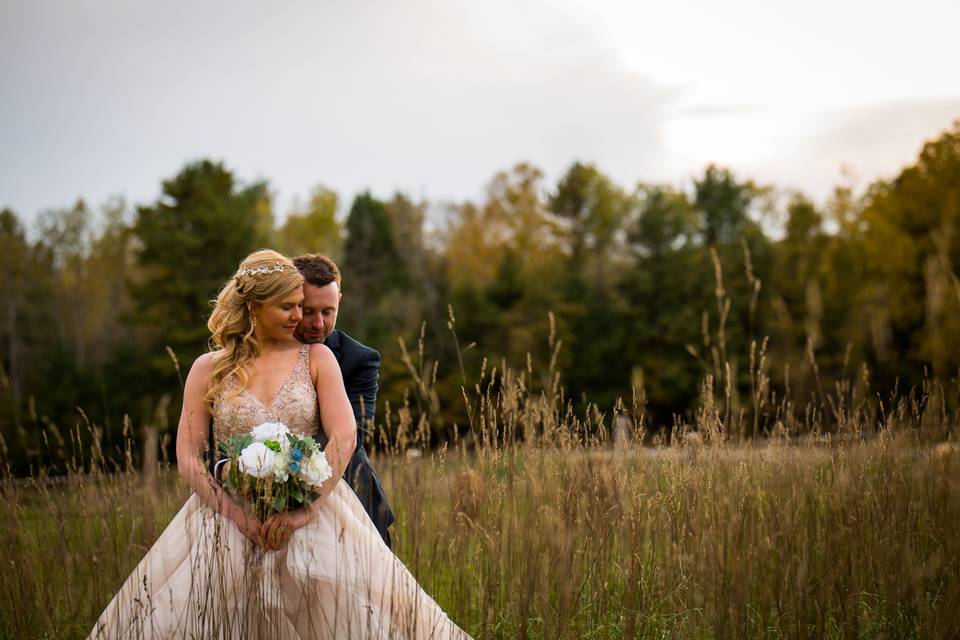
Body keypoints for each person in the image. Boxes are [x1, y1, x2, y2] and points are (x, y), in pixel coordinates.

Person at [89, 249, 470, 639]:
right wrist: (237, 515)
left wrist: (302, 511)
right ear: (254, 307)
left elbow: (346, 435)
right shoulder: (208, 368)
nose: (300, 317)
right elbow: (188, 456)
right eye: (289, 307)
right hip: (225, 517)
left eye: (301, 306)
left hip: (316, 512)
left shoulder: (319, 358)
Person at [293, 254, 395, 546]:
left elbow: (356, 434)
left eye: (328, 311)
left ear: (340, 300)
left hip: (349, 490)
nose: (318, 323)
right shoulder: (261, 353)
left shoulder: (359, 359)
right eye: (308, 311)